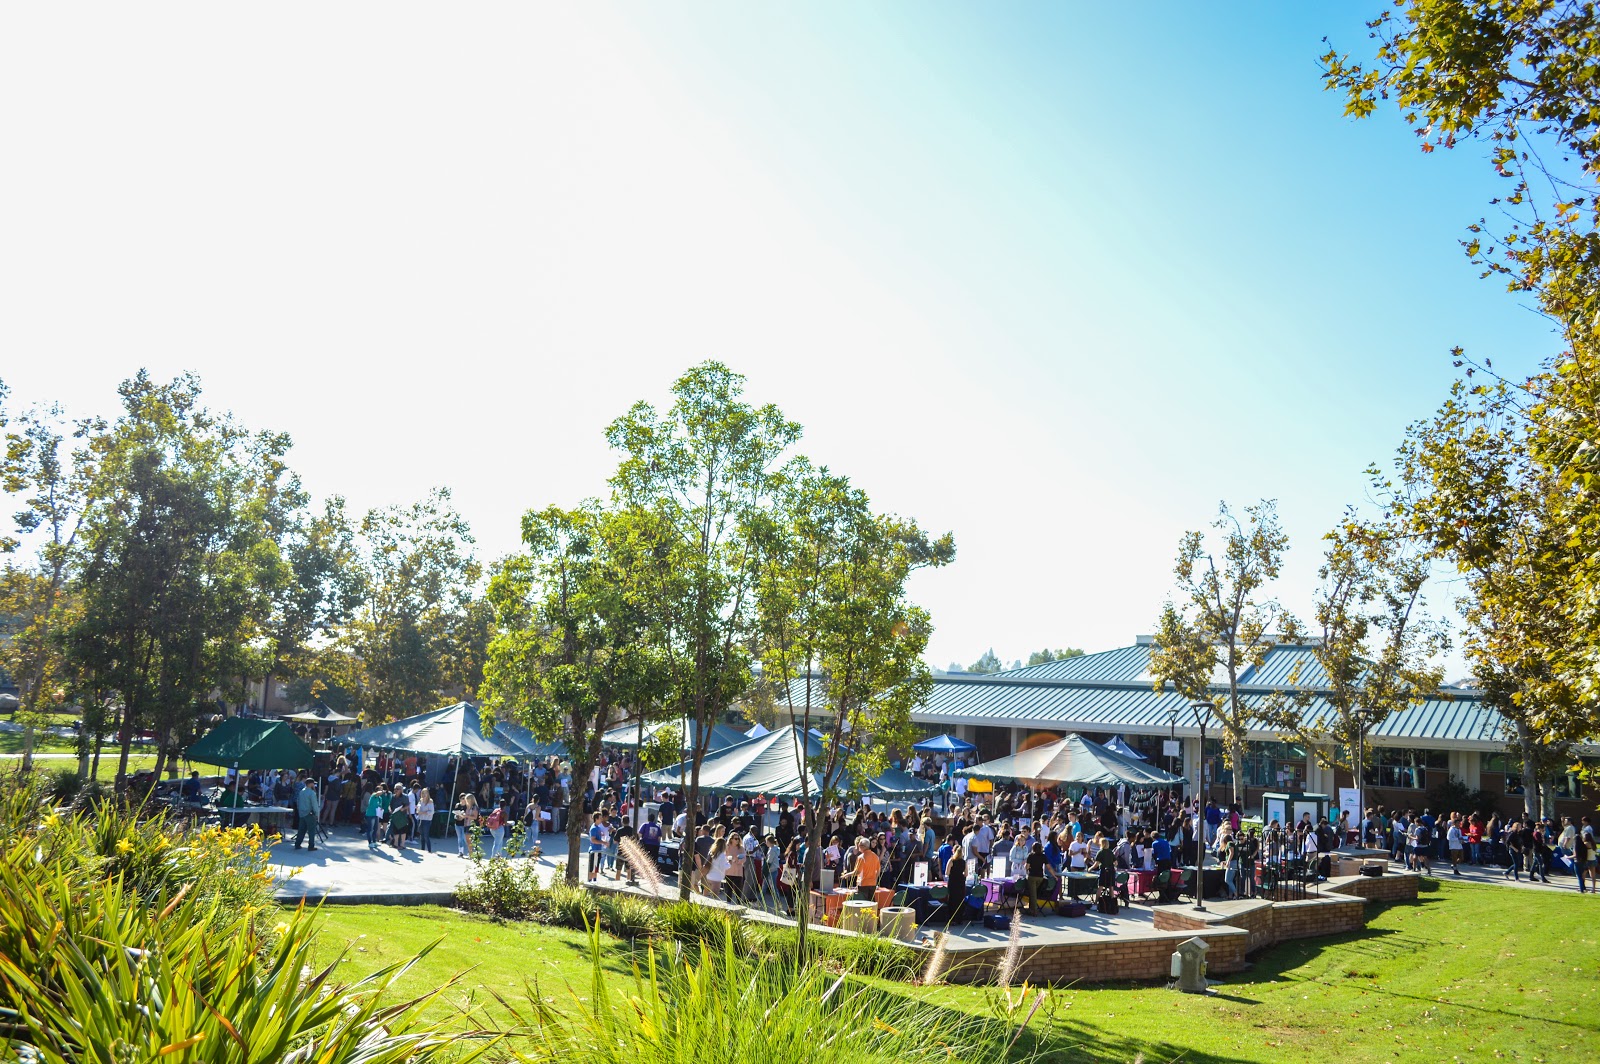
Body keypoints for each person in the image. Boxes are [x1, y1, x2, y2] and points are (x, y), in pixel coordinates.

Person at [844, 836, 882, 902]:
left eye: (860, 845)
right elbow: (878, 870)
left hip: (863, 884)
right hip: (873, 884)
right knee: (871, 903)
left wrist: (847, 874)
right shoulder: (875, 856)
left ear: (863, 847)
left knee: (863, 903)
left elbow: (857, 872)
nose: (858, 846)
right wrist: (875, 880)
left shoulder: (861, 857)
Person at [293, 775, 321, 852]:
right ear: (310, 784)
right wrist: (316, 814)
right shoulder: (312, 793)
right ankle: (311, 846)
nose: (314, 785)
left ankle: (297, 844)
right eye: (313, 784)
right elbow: (314, 804)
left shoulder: (301, 791)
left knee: (301, 830)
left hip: (302, 813)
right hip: (310, 813)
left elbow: (298, 802)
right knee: (311, 831)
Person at [1023, 841, 1048, 915]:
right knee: (1034, 892)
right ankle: (1031, 908)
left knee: (1033, 894)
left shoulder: (1030, 855)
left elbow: (1027, 867)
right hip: (1040, 876)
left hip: (1032, 876)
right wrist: (1054, 875)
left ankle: (1034, 910)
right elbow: (1048, 866)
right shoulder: (1043, 856)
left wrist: (1025, 867)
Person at [454, 793, 480, 857]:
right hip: (466, 824)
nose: (466, 801)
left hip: (471, 825)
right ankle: (470, 853)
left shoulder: (474, 807)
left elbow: (475, 817)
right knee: (467, 841)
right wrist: (462, 816)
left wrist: (466, 816)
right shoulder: (468, 806)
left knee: (469, 841)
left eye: (467, 799)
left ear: (471, 799)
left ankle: (471, 854)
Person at [415, 788, 435, 853]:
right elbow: (418, 809)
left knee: (426, 835)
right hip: (421, 819)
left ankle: (429, 850)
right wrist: (417, 809)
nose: (424, 794)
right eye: (422, 793)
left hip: (427, 820)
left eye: (425, 793)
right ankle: (422, 849)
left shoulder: (430, 801)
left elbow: (432, 812)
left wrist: (423, 812)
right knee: (421, 835)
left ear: (428, 794)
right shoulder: (420, 801)